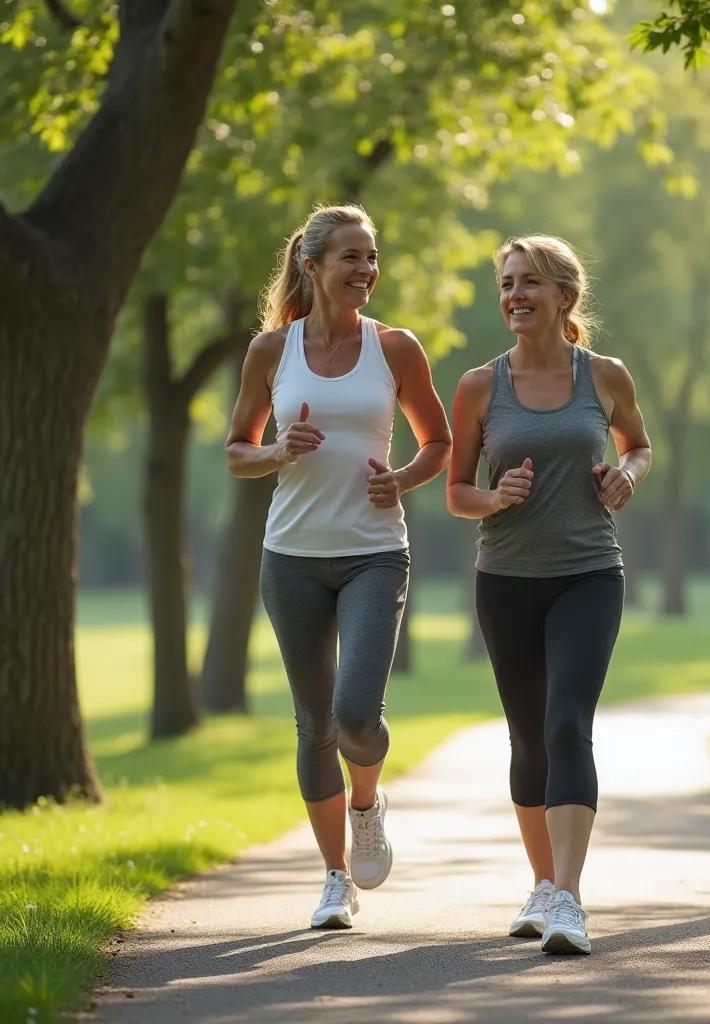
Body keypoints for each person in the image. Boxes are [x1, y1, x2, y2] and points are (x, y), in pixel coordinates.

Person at [225, 204, 451, 929]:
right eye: (352, 257)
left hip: (374, 552)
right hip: (291, 557)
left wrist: (403, 481)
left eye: (372, 257)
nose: (367, 270)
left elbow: (439, 442)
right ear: (312, 265)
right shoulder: (271, 351)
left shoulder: (397, 348)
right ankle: (333, 879)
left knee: (357, 715)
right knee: (313, 724)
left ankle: (366, 806)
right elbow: (237, 450)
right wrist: (277, 451)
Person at [446, 235, 652, 954]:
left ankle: (569, 899)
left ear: (565, 295)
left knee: (568, 722)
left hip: (589, 573)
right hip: (505, 582)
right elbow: (455, 494)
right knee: (528, 734)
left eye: (529, 282)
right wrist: (493, 497)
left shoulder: (604, 375)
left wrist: (628, 473)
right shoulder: (479, 386)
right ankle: (542, 884)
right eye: (506, 283)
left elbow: (639, 444)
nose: (514, 296)